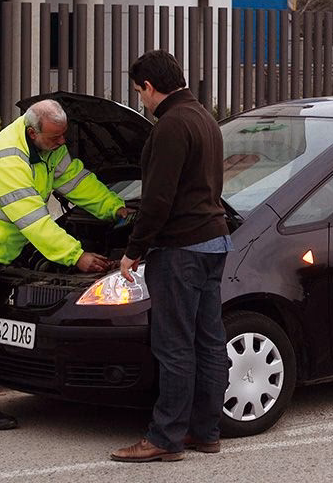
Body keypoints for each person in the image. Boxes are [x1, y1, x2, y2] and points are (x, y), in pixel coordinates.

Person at [0, 99, 131, 430]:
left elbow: (76, 181)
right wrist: (76, 256)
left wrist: (115, 208)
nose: (61, 143)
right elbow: (34, 221)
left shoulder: (48, 149)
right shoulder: (8, 159)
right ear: (33, 133)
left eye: (63, 136)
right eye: (54, 137)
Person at [111, 50, 230, 463]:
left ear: (149, 86)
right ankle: (205, 431)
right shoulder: (204, 119)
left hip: (181, 248)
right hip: (214, 241)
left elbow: (158, 200)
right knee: (208, 341)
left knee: (174, 344)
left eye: (138, 92)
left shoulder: (171, 125)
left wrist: (133, 250)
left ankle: (164, 437)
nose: (140, 100)